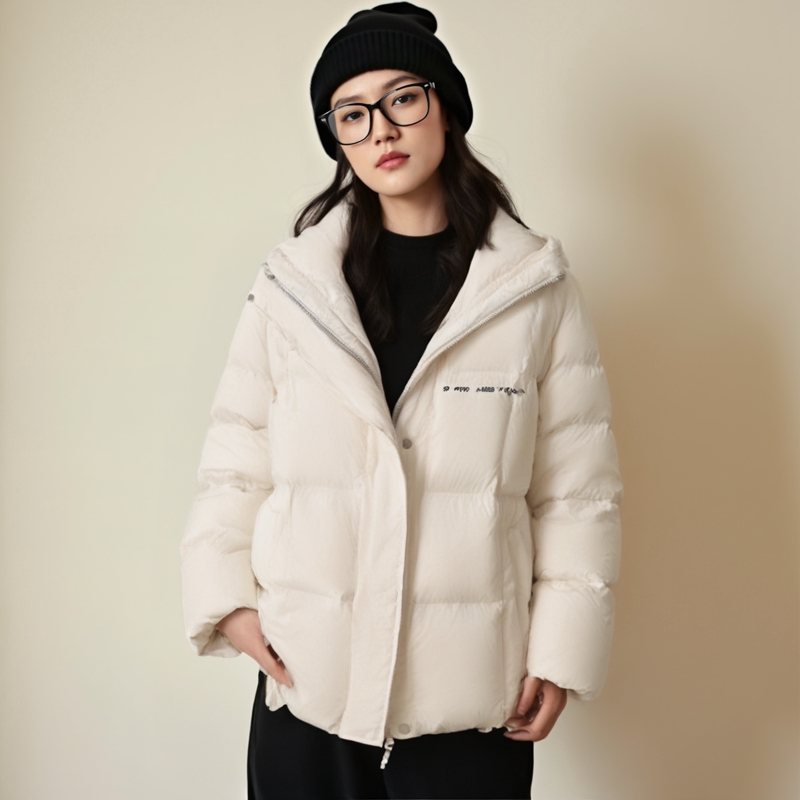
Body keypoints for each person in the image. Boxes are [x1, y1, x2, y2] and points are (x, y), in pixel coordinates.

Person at [180, 3, 622, 798]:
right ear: (337, 139)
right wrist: (228, 603)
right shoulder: (294, 286)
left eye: (402, 99)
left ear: (445, 109)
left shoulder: (534, 289)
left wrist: (560, 654)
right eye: (352, 113)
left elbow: (576, 493)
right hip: (307, 687)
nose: (381, 128)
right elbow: (237, 455)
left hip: (471, 704)